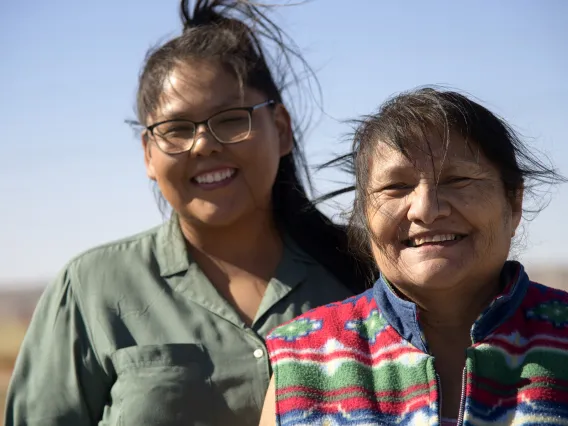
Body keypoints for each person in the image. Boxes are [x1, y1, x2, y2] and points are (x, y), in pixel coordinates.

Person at [4, 1, 373, 425]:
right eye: (177, 129)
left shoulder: (365, 270)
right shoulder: (90, 289)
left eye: (231, 120)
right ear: (147, 153)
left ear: (283, 128)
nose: (203, 145)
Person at [259, 87, 568, 426]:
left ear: (514, 202)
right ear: (365, 213)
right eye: (396, 187)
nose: (426, 210)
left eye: (457, 180)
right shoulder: (304, 358)